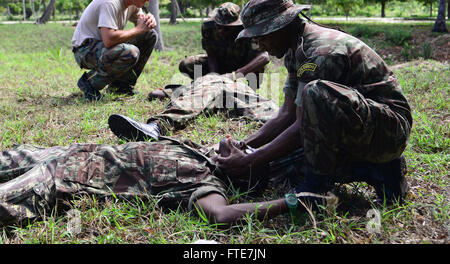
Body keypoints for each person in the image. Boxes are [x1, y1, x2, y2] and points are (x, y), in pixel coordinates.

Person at [214, 0, 413, 205]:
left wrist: (251, 160)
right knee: (282, 166)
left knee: (314, 93)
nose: (260, 45)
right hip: (359, 122)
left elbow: (303, 126)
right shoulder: (295, 48)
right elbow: (287, 115)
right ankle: (378, 170)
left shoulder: (320, 52)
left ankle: (318, 187)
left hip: (389, 130)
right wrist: (243, 145)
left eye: (263, 36)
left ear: (282, 26)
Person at [0, 136, 335, 225]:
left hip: (61, 177)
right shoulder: (197, 152)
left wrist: (290, 203)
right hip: (59, 152)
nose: (237, 142)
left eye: (244, 150)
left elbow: (221, 215)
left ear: (244, 173)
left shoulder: (207, 182)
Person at [108, 74, 279, 141]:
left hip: (226, 86)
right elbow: (156, 93)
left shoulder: (210, 81)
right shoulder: (192, 88)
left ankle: (158, 126)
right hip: (222, 96)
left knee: (275, 118)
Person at [71, 0, 158, 100]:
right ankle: (90, 82)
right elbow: (109, 40)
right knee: (131, 52)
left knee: (150, 35)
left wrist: (149, 20)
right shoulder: (110, 2)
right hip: (84, 50)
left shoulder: (133, 4)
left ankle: (120, 87)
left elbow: (142, 24)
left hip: (103, 47)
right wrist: (139, 29)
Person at [178, 2, 270, 90]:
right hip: (221, 63)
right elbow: (211, 54)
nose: (221, 31)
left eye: (226, 28)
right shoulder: (208, 27)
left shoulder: (247, 29)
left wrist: (236, 74)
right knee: (186, 64)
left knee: (258, 63)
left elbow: (264, 56)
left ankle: (250, 92)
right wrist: (214, 74)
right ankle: (205, 86)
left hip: (242, 64)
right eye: (218, 26)